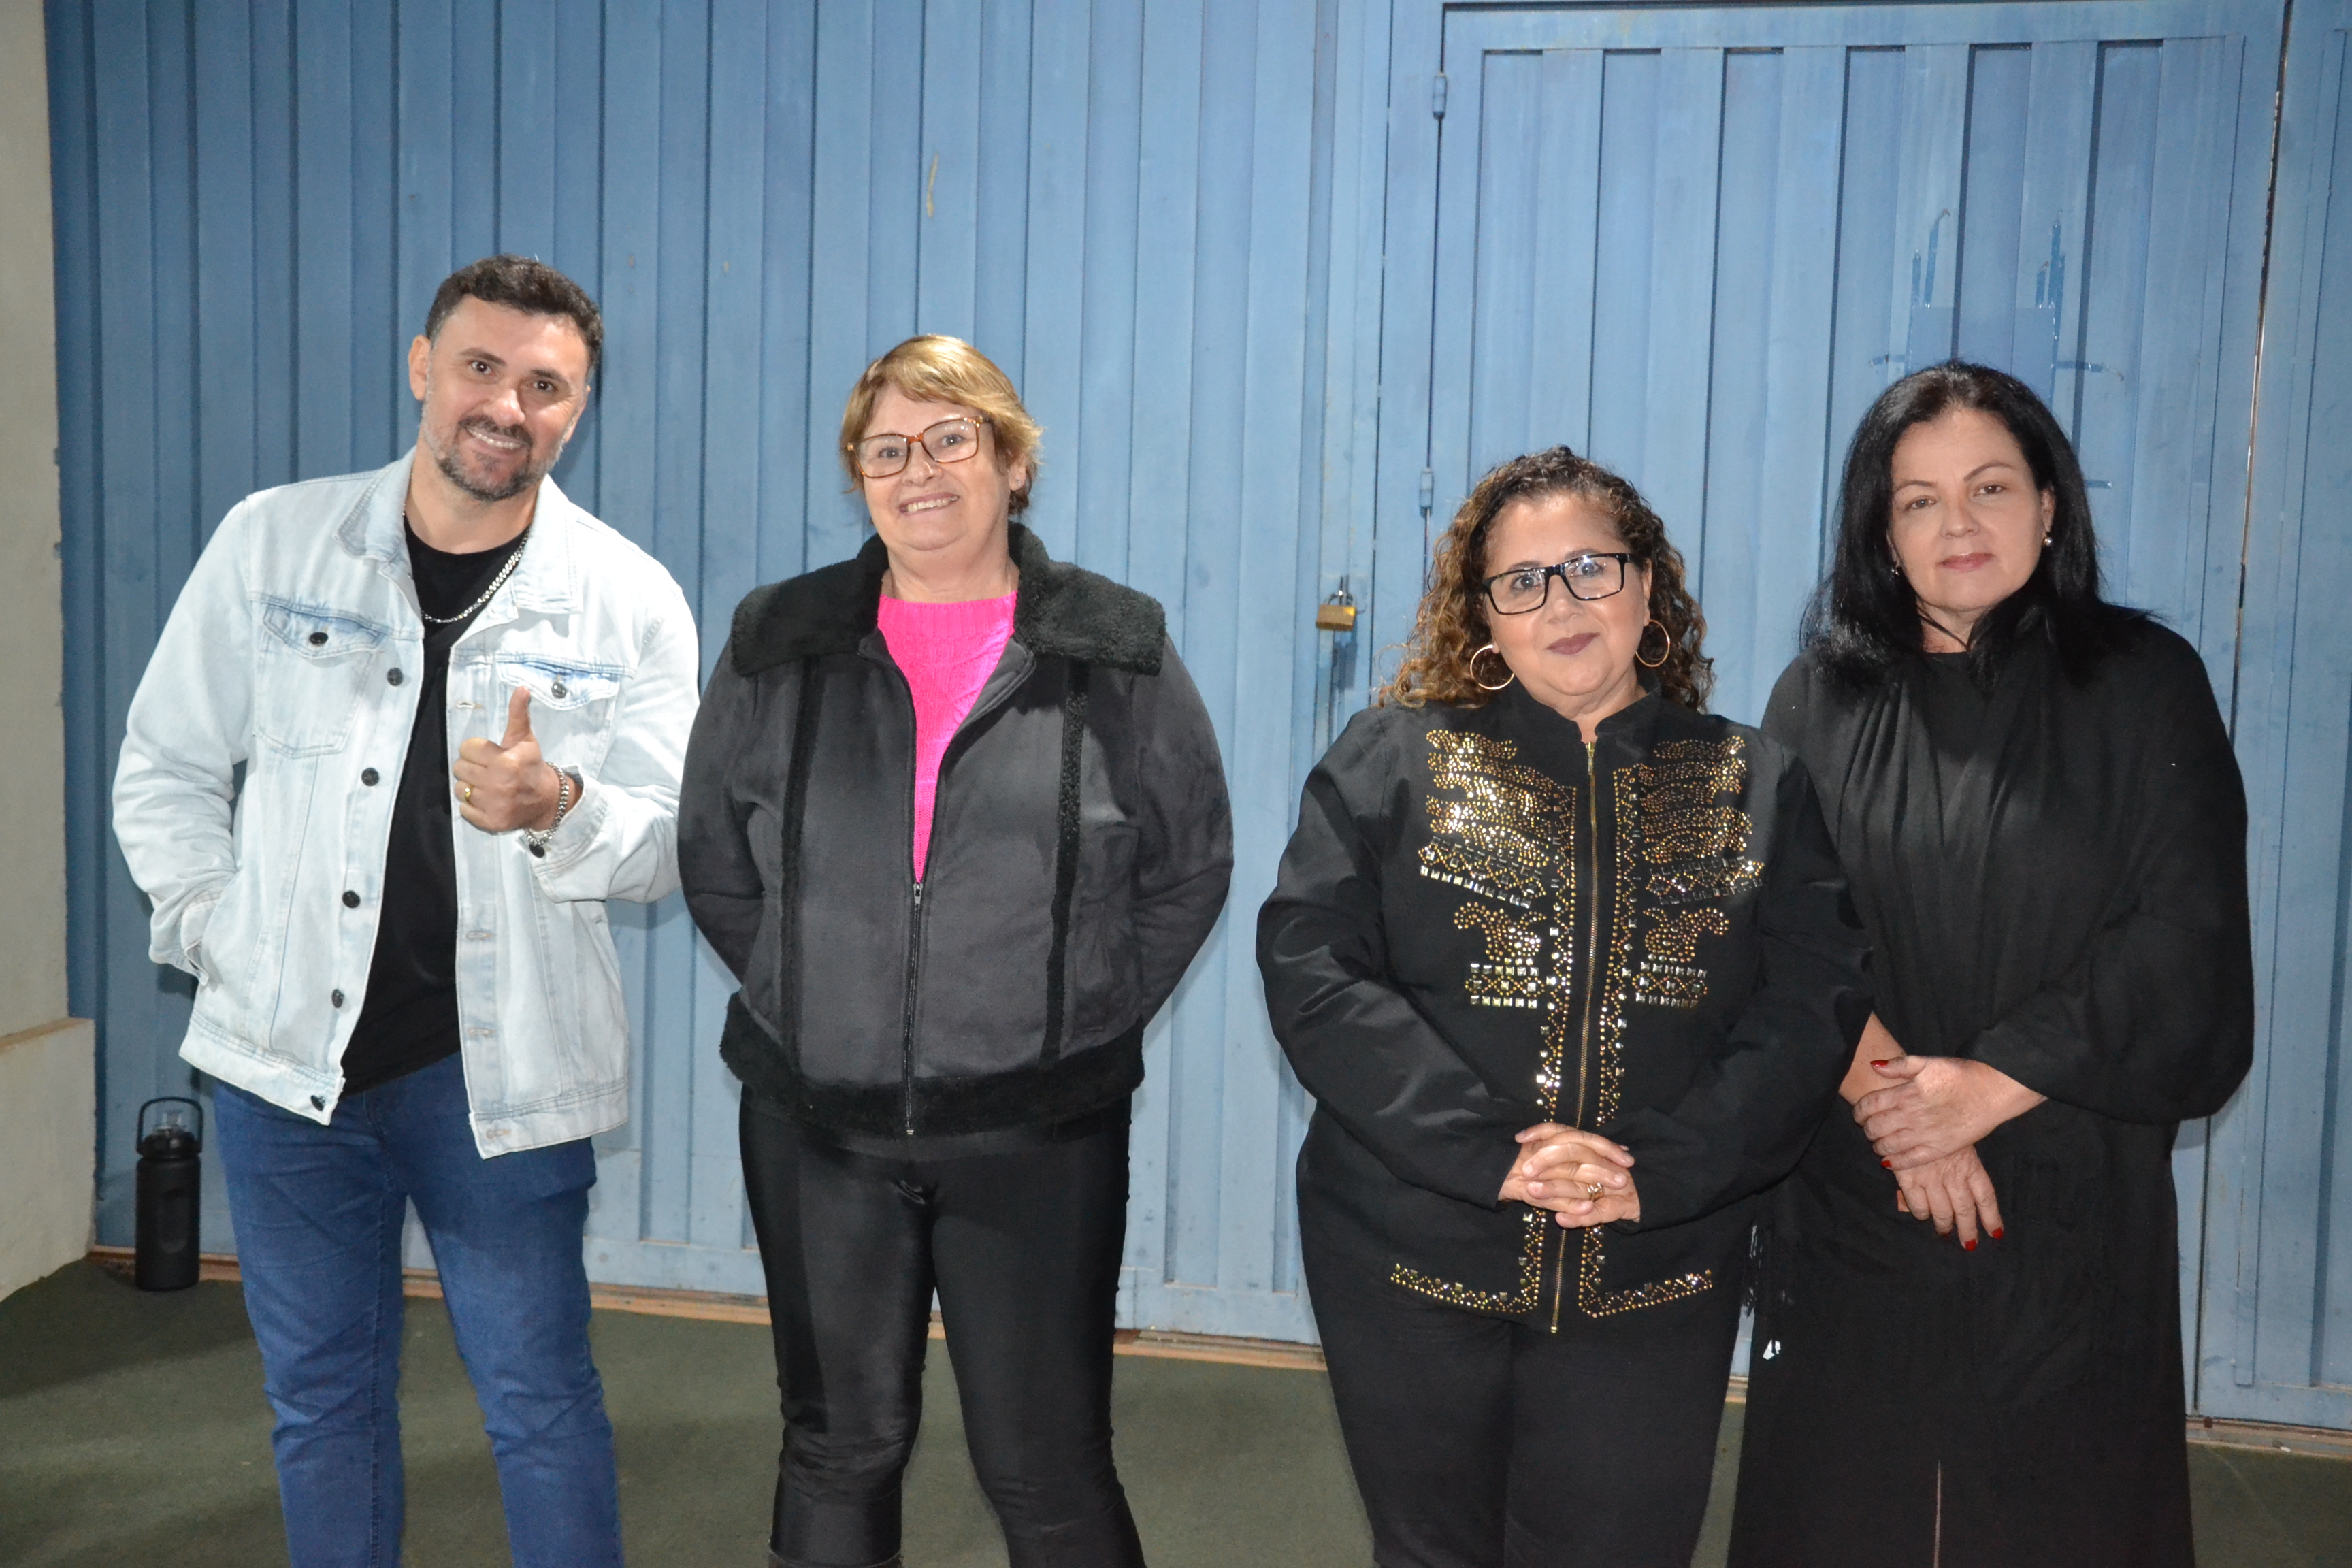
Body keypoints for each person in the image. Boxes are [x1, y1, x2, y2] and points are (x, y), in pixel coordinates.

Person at [113, 255, 698, 1568]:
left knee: (539, 1403)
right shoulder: (275, 542)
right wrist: (214, 931)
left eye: (546, 386)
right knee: (321, 1403)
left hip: (500, 1079)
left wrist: (558, 802)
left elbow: (672, 843)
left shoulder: (629, 598)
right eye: (481, 368)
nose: (508, 406)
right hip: (285, 1072)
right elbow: (165, 766)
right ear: (424, 367)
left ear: (578, 409)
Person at [1258, 446, 1872, 1568]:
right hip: (1410, 1258)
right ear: (1483, 616)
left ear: (1648, 586)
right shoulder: (1390, 762)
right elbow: (1314, 969)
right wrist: (1491, 1150)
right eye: (1523, 581)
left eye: (1592, 567)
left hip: (1655, 1263)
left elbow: (1809, 1004)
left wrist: (1661, 1171)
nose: (1563, 603)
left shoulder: (1758, 783)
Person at [678, 334, 1232, 1568]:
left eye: (949, 439)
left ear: (1012, 461)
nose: (917, 471)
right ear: (859, 478)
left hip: (1038, 1137)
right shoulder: (779, 641)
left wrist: (1076, 1007)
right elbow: (715, 857)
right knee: (838, 1446)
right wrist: (812, 992)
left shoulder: (1114, 645)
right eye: (886, 450)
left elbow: (1189, 863)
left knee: (1046, 1466)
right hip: (818, 1130)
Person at [1727, 363, 2255, 1566]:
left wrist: (1988, 1087)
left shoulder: (2146, 685)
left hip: (2066, 1180)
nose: (1956, 524)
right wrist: (1905, 1116)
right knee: (1849, 1508)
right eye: (1918, 500)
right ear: (1881, 531)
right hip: (1859, 1182)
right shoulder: (1817, 700)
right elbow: (1778, 930)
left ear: (2050, 505)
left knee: (2051, 1508)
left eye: (1990, 487)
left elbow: (2182, 934)